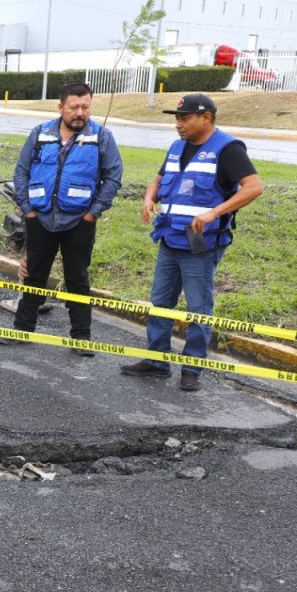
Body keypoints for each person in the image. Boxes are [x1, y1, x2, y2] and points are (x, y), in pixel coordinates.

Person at [120, 94, 262, 391]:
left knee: (198, 307)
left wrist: (214, 213)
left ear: (207, 118)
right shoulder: (177, 147)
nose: (178, 124)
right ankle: (157, 362)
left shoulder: (227, 149)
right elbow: (159, 179)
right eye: (177, 118)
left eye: (184, 119)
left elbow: (253, 187)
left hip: (200, 244)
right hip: (170, 238)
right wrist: (149, 198)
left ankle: (192, 368)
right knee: (161, 302)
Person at [1, 82, 122, 353]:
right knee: (34, 275)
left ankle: (81, 338)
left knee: (77, 279)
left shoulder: (101, 137)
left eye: (85, 107)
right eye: (74, 107)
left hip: (78, 222)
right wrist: (28, 209)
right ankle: (22, 331)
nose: (80, 112)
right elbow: (21, 172)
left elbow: (113, 176)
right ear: (60, 108)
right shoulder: (40, 134)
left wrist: (93, 213)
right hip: (41, 218)